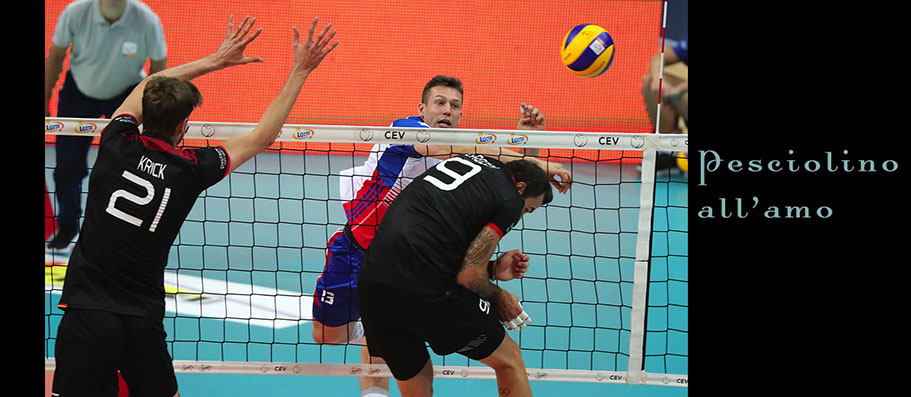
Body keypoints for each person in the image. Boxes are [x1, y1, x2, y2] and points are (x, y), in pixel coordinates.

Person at [51, 15, 339, 396]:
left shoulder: (116, 141)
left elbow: (147, 84)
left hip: (86, 310)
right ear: (184, 124)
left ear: (144, 116)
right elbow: (261, 136)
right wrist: (301, 70)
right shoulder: (191, 169)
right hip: (142, 316)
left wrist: (216, 60)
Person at [310, 75, 571, 397]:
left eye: (455, 106)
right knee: (327, 336)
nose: (447, 111)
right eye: (440, 103)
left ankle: (376, 379)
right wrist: (529, 156)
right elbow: (445, 146)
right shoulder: (407, 128)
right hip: (357, 247)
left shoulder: (465, 153)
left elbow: (515, 181)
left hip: (414, 259)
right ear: (422, 108)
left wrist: (527, 143)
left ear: (461, 116)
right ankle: (383, 332)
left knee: (387, 317)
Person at [358, 154, 553, 397]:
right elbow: (469, 276)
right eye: (527, 209)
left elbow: (439, 243)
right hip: (426, 292)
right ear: (520, 188)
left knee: (418, 378)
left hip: (372, 287)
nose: (520, 215)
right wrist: (498, 296)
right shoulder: (510, 198)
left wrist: (492, 269)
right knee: (509, 359)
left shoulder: (472, 162)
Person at [46, 0, 169, 252]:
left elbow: (159, 69)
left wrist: (153, 112)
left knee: (129, 167)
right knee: (67, 167)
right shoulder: (76, 12)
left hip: (126, 96)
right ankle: (68, 226)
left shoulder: (147, 20)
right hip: (77, 94)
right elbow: (56, 56)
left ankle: (120, 232)